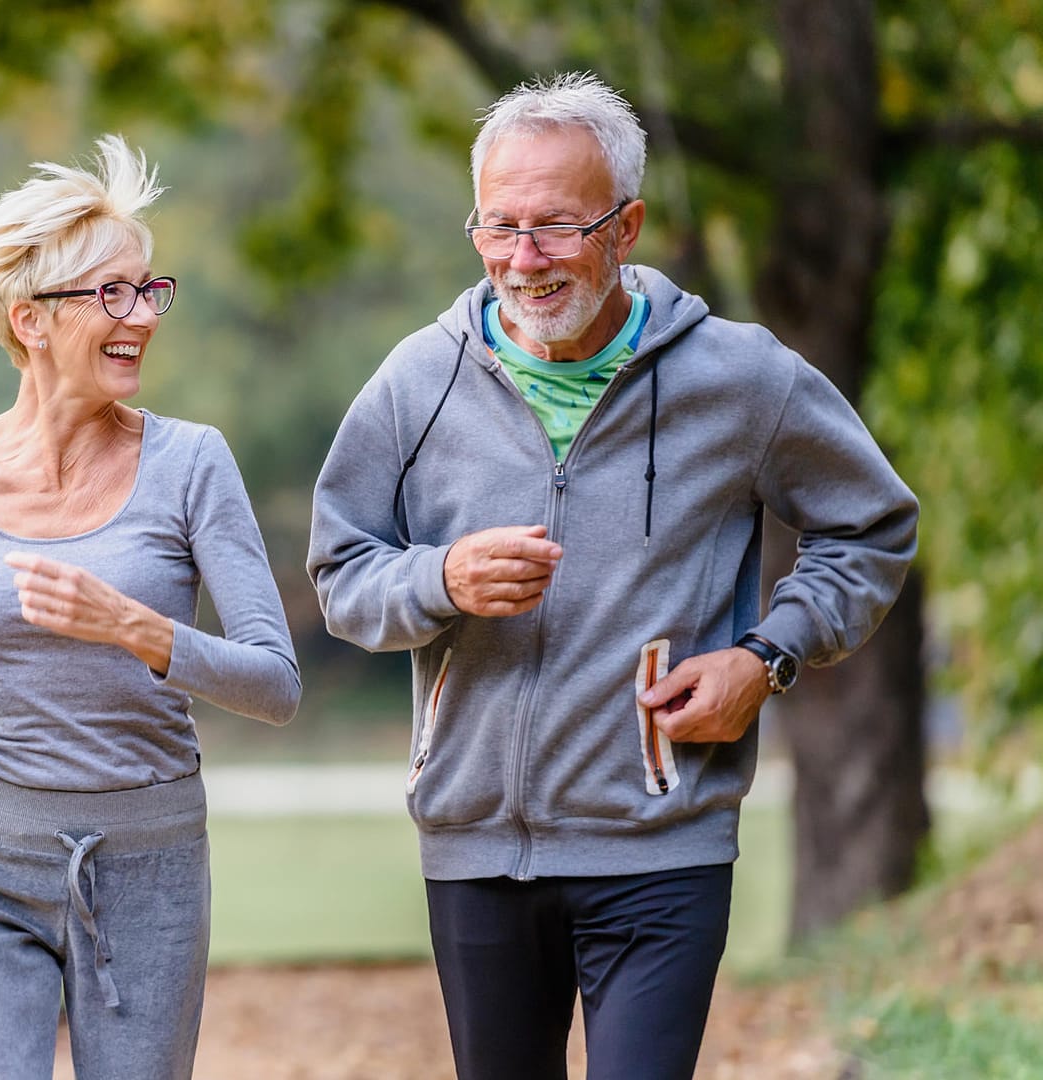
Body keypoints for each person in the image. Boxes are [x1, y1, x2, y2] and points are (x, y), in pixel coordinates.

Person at [307, 72, 917, 1080]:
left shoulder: (740, 377)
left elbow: (873, 526)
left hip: (661, 841)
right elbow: (341, 570)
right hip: (474, 848)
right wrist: (440, 581)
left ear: (626, 226)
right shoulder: (418, 380)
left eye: (555, 227)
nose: (523, 258)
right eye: (498, 226)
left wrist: (765, 657)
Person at [0, 133, 300, 1080]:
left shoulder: (191, 463)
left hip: (148, 864)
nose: (141, 314)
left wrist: (133, 627)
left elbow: (277, 684)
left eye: (148, 289)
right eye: (111, 293)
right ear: (29, 321)